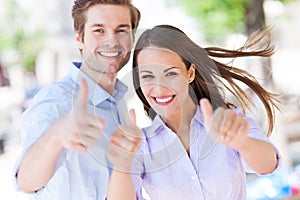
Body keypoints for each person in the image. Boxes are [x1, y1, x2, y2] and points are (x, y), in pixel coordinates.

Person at [107, 25, 282, 200]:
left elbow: (268, 165)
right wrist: (122, 162)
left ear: (190, 73)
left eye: (170, 74)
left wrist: (242, 142)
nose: (159, 87)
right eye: (147, 76)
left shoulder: (227, 123)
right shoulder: (141, 145)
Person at [13, 0, 141, 199]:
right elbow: (26, 181)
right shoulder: (57, 101)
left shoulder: (118, 102)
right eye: (99, 30)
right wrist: (56, 135)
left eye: (121, 30)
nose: (112, 41)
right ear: (79, 38)